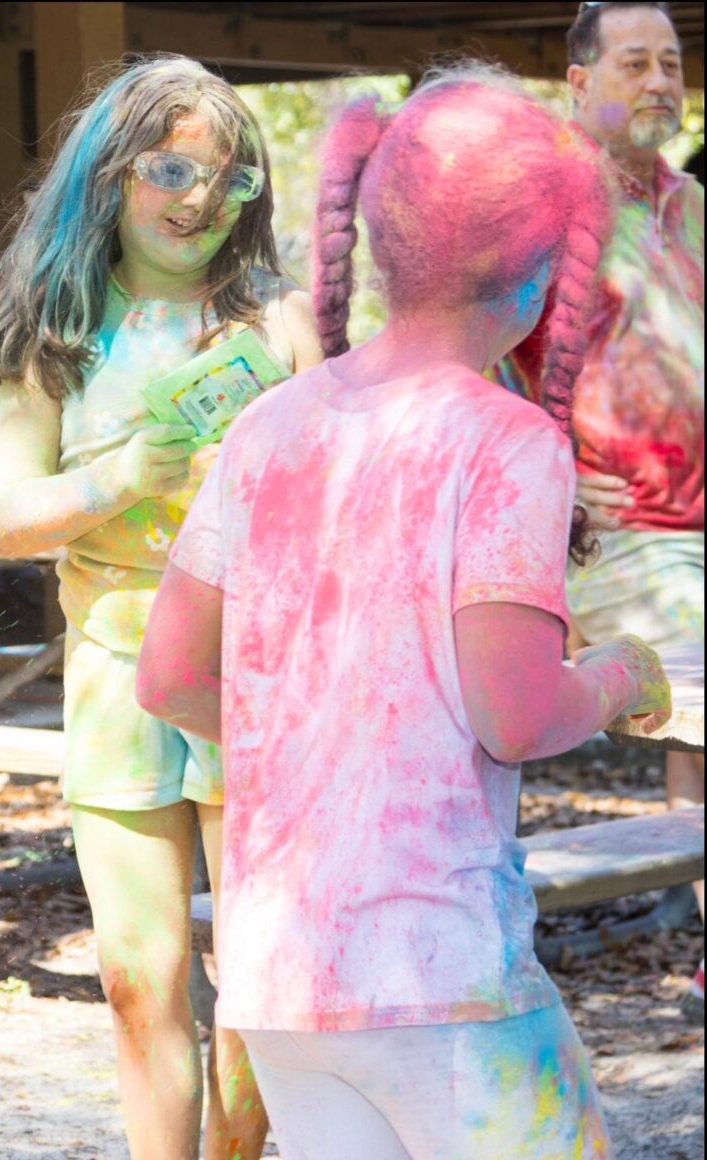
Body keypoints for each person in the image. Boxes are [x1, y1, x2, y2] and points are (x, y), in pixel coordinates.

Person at [137, 64, 672, 1158]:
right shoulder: (506, 441)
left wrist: (326, 731)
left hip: (280, 980)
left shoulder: (270, 426)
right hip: (441, 974)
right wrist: (623, 672)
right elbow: (516, 715)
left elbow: (169, 676)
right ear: (542, 271)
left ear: (380, 243)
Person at [0, 54, 322, 1160]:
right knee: (138, 975)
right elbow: (7, 518)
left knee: (259, 980)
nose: (200, 199)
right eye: (171, 169)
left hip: (254, 674)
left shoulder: (280, 319)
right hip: (115, 674)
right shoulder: (56, 328)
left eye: (230, 178)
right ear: (111, 173)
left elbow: (344, 508)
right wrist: (122, 476)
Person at [499, 0, 704, 1023]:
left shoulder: (694, 203)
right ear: (579, 82)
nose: (661, 80)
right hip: (618, 539)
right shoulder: (543, 204)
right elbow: (462, 349)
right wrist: (554, 470)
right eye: (635, 62)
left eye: (671, 62)